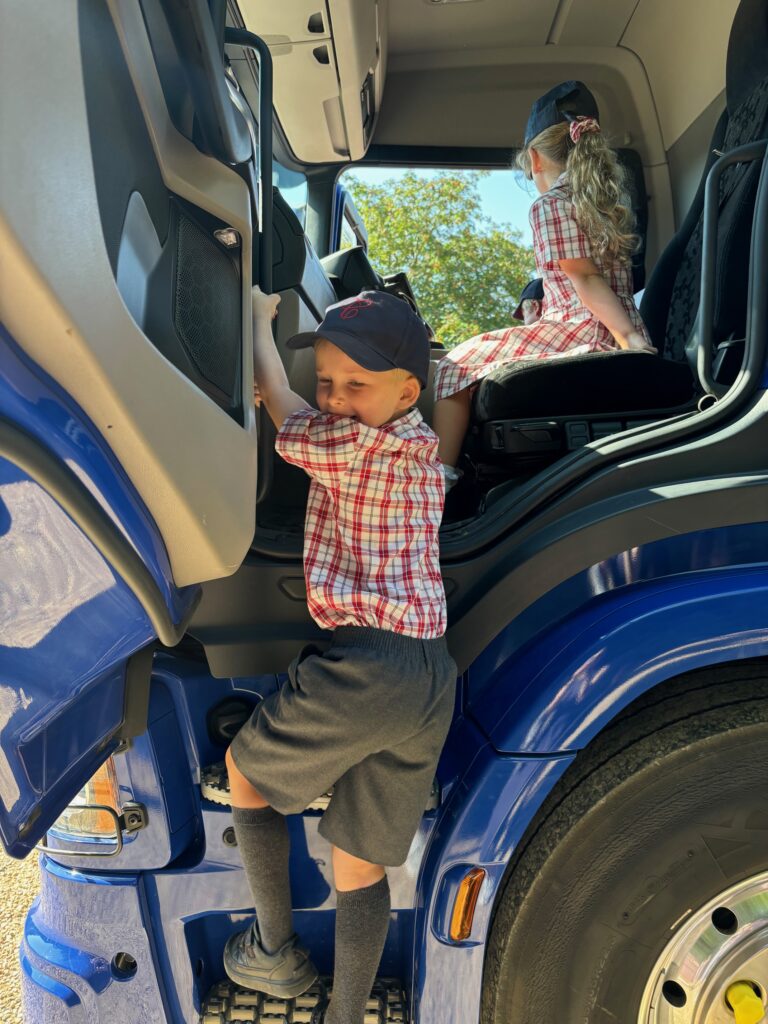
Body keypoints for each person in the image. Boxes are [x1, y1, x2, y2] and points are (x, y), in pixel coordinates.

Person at [223, 288, 456, 1024]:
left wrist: (260, 326)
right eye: (328, 382)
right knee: (360, 859)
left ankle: (274, 954)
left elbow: (275, 398)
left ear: (408, 390)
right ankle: (346, 1014)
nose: (337, 398)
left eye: (357, 384)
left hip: (367, 665)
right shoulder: (421, 448)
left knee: (244, 773)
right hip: (428, 675)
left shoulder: (352, 445)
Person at [433, 80, 655, 483]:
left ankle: (440, 482)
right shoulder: (606, 203)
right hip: (614, 322)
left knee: (453, 365)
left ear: (535, 159)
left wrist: (629, 341)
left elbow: (584, 276)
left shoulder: (550, 204)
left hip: (585, 329)